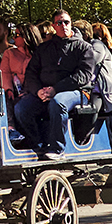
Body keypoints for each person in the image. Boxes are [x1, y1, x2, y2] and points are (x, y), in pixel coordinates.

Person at [13, 9, 93, 155]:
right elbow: (31, 73)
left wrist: (56, 89)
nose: (64, 25)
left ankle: (57, 149)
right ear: (53, 26)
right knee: (21, 108)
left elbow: (84, 75)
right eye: (59, 23)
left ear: (71, 23)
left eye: (66, 22)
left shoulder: (84, 47)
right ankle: (38, 145)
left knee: (58, 102)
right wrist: (38, 91)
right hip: (45, 92)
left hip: (77, 92)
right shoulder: (44, 48)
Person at [0, 18, 31, 102]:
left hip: (33, 92)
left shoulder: (37, 53)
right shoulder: (9, 53)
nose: (14, 38)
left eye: (17, 35)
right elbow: (4, 72)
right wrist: (8, 89)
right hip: (15, 92)